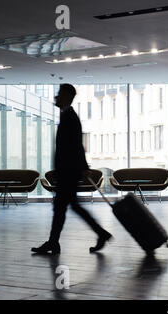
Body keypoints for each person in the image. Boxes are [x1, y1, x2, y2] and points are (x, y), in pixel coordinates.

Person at [32, 84, 112, 255]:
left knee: (63, 207)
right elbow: (72, 146)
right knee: (66, 207)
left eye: (59, 94)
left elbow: (76, 145)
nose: (56, 97)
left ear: (68, 96)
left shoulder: (70, 117)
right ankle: (57, 241)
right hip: (66, 171)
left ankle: (57, 242)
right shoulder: (67, 116)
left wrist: (82, 167)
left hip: (68, 172)